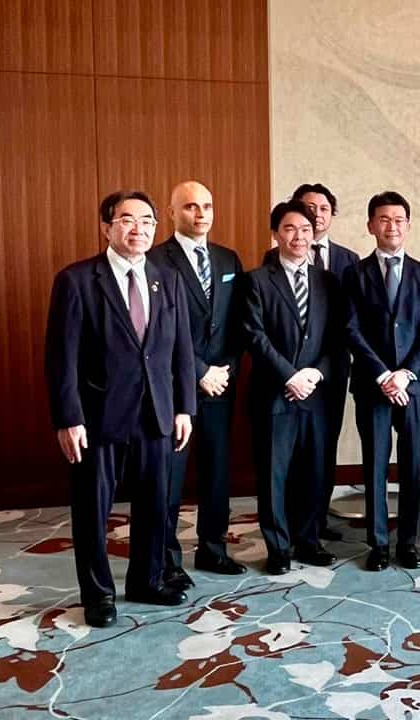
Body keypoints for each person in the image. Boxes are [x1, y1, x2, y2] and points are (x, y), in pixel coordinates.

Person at [46, 190, 196, 627]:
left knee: (154, 504)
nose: (139, 229)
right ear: (106, 227)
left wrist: (184, 408)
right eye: (127, 220)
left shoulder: (167, 278)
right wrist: (68, 417)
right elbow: (61, 357)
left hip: (157, 413)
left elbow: (181, 349)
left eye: (147, 221)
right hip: (98, 417)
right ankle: (98, 594)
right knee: (93, 510)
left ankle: (147, 581)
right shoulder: (77, 280)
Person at [148, 180, 246, 587]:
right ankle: (167, 560)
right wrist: (200, 371)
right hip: (175, 388)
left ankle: (213, 549)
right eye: (190, 206)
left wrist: (224, 370)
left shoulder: (227, 258)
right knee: (169, 479)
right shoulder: (155, 260)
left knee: (216, 473)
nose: (201, 213)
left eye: (207, 205)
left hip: (220, 385)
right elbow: (158, 330)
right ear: (172, 213)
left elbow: (239, 322)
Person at [242, 201, 341, 575]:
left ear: (314, 234)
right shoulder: (257, 280)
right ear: (275, 234)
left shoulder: (328, 281)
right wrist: (289, 375)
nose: (298, 236)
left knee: (315, 471)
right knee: (275, 474)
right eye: (289, 228)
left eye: (305, 229)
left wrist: (315, 374)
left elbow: (337, 338)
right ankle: (278, 547)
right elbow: (254, 335)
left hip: (317, 394)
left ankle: (309, 541)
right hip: (275, 392)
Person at [345, 191, 420, 571]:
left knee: (412, 464)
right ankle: (379, 543)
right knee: (375, 466)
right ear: (371, 225)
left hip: (413, 386)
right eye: (384, 219)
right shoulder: (355, 273)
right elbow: (351, 329)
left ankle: (409, 542)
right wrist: (383, 374)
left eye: (399, 220)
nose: (392, 226)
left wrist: (405, 374)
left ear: (408, 225)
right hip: (373, 384)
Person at [283, 183, 360, 542]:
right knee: (291, 451)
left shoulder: (349, 260)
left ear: (332, 215)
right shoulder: (276, 257)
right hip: (290, 374)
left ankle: (317, 518)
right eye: (308, 208)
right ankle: (288, 522)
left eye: (324, 209)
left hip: (331, 369)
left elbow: (352, 319)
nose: (316, 215)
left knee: (324, 447)